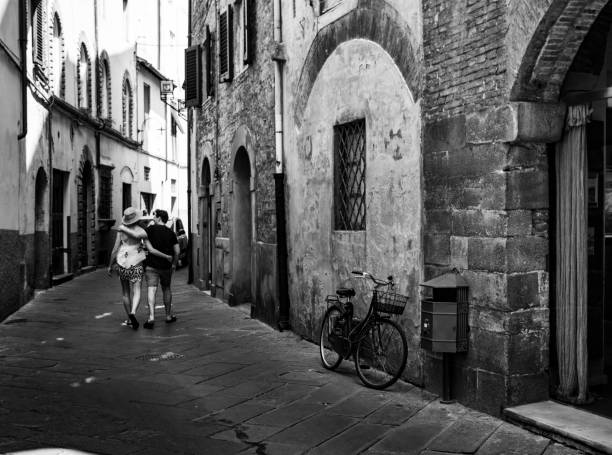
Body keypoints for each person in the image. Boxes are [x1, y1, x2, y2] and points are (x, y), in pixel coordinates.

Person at [107, 207, 173, 330]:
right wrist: (167, 256)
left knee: (125, 292)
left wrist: (110, 265)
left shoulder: (121, 231)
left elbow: (115, 249)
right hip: (136, 263)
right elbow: (151, 249)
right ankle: (133, 312)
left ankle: (129, 319)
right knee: (136, 290)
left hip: (122, 262)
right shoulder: (141, 230)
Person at [143, 209, 180, 329]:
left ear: (159, 218)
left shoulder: (148, 230)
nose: (153, 217)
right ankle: (168, 316)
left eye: (154, 215)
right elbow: (177, 251)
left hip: (151, 266)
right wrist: (174, 263)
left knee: (151, 290)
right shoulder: (171, 233)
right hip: (166, 266)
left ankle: (151, 317)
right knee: (166, 289)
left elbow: (147, 247)